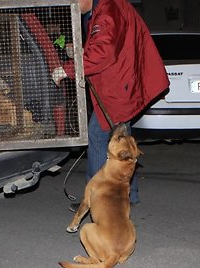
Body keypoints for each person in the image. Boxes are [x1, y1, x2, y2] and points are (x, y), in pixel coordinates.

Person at [52, 0, 169, 211]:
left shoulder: (107, 11)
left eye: (74, 2)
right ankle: (128, 194)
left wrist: (68, 69)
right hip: (122, 83)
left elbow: (103, 52)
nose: (73, 8)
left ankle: (97, 198)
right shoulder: (108, 7)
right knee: (123, 140)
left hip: (117, 87)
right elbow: (105, 44)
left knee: (98, 136)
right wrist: (80, 51)